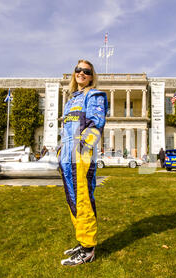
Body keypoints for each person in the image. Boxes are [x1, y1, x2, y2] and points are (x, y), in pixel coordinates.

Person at [58, 59, 108, 266]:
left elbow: (96, 124)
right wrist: (61, 151)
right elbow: (66, 130)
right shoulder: (71, 100)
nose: (81, 73)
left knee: (83, 199)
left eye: (86, 71)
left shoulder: (93, 95)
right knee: (72, 199)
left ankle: (88, 249)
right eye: (78, 70)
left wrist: (82, 149)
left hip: (81, 156)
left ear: (91, 76)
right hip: (66, 156)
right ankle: (82, 240)